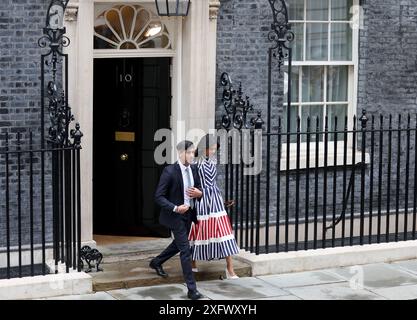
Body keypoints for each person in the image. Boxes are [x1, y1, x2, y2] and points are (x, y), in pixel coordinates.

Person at [150, 140, 204, 300]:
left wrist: (199, 194)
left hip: (189, 214)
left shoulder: (194, 169)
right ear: (180, 153)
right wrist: (175, 208)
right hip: (175, 216)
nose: (191, 155)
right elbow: (158, 197)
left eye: (193, 152)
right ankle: (192, 290)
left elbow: (200, 189)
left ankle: (157, 262)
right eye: (189, 152)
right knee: (185, 250)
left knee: (179, 244)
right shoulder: (170, 171)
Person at [188, 134, 240, 279]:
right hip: (201, 202)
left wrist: (222, 201)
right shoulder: (194, 163)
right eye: (210, 149)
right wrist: (197, 193)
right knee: (198, 231)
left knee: (224, 232)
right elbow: (191, 184)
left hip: (215, 201)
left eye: (214, 149)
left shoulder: (213, 161)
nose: (211, 152)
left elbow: (213, 184)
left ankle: (230, 269)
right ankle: (192, 264)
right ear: (203, 147)